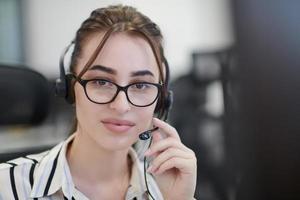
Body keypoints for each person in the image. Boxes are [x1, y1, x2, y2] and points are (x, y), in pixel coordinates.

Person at [0, 5, 197, 200]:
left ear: (162, 97)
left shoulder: (167, 189)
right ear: (69, 87)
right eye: (101, 82)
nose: (121, 106)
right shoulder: (6, 187)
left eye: (140, 85)